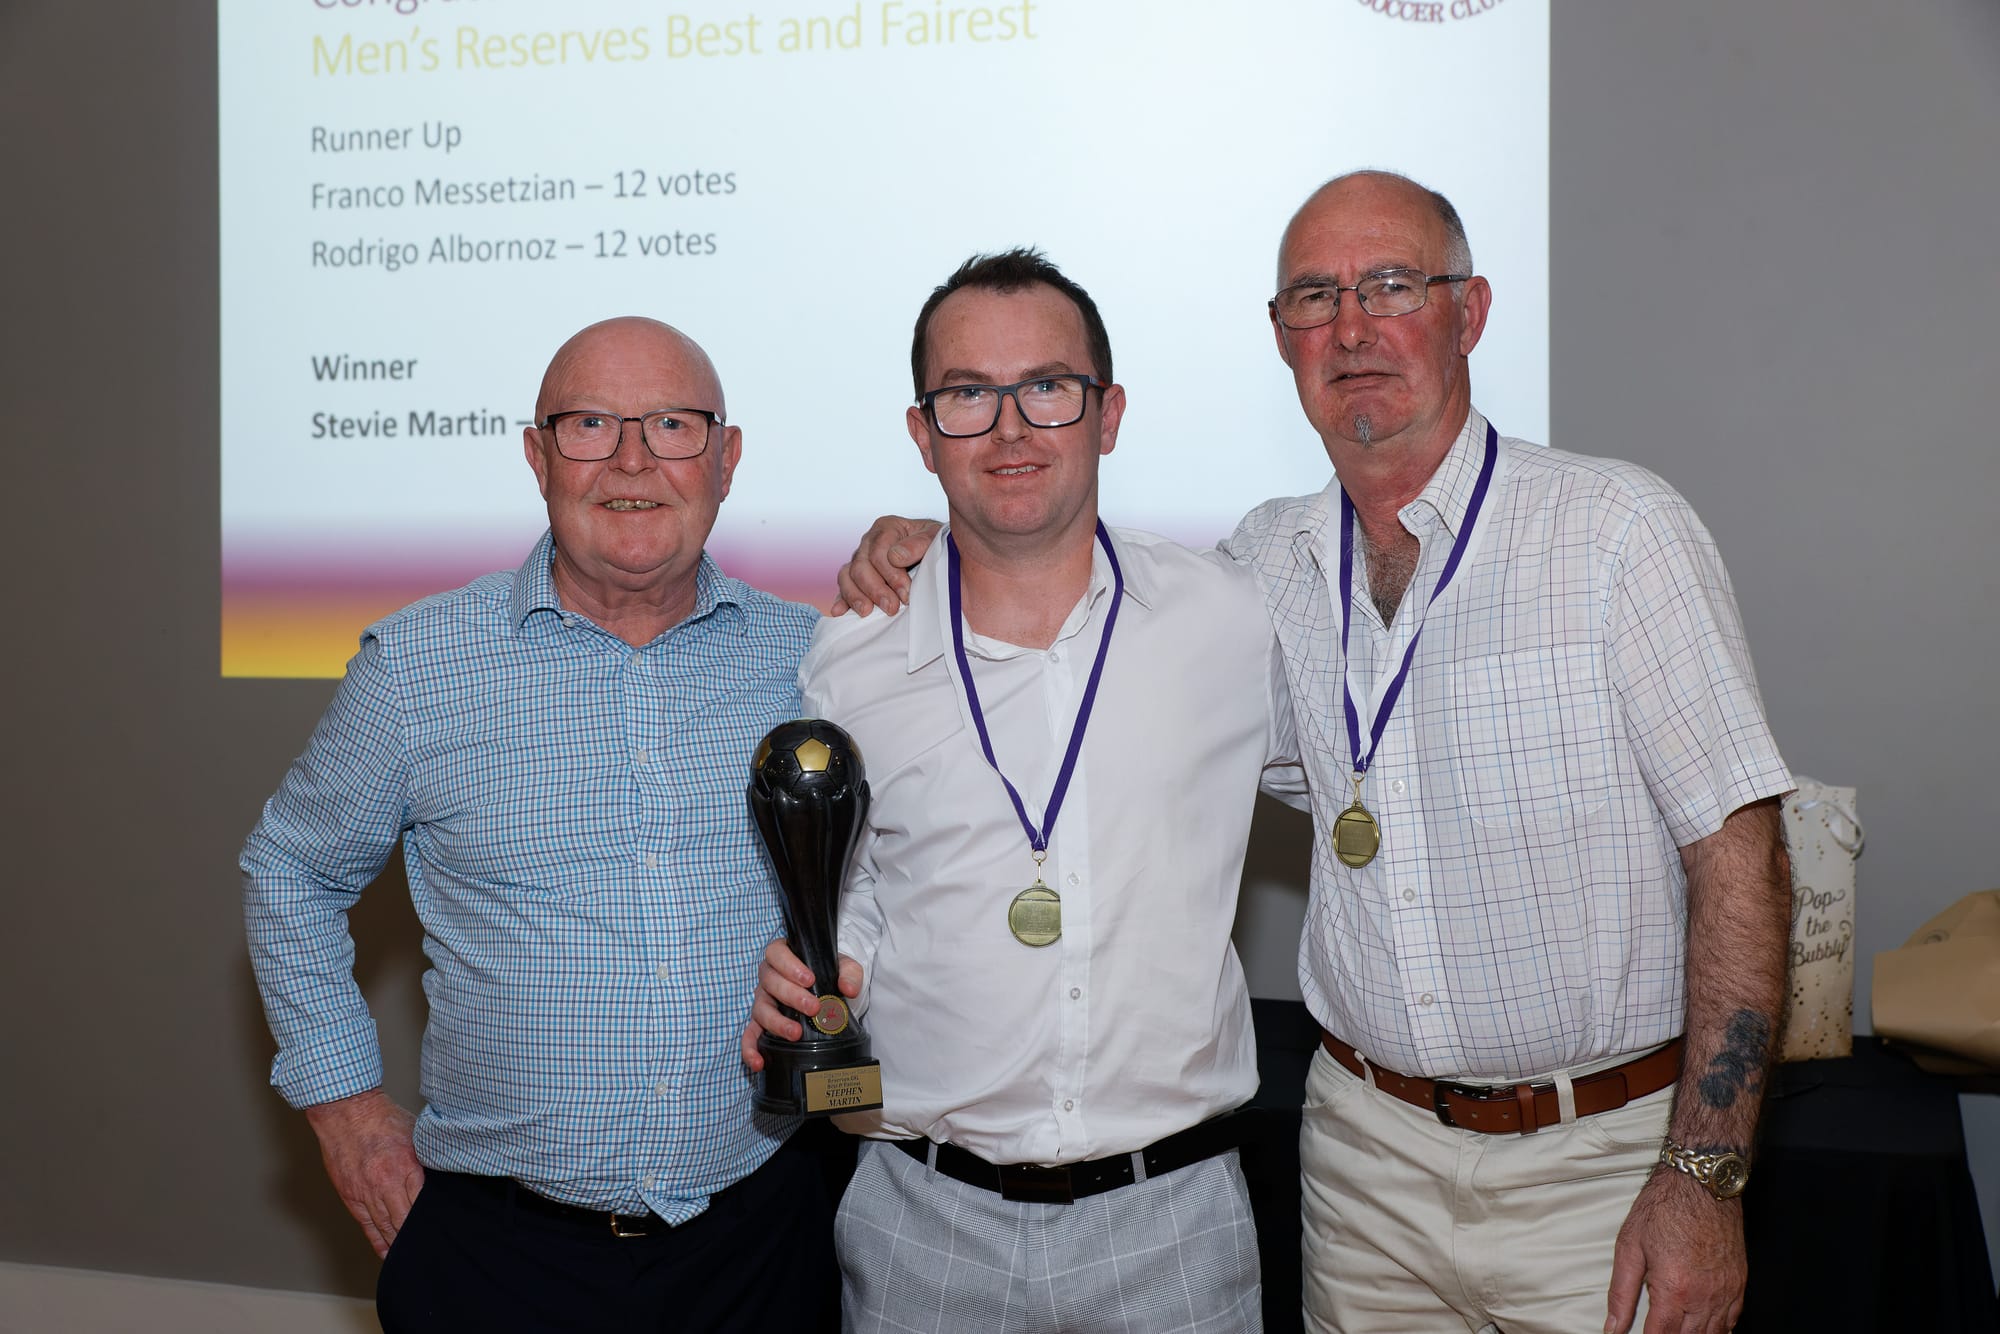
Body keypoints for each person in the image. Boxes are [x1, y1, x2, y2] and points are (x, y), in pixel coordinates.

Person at [832, 173, 1794, 1334]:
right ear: (1280, 335)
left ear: (1470, 311)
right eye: (1312, 297)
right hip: (1364, 1170)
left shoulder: (1614, 532)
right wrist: (940, 542)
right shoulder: (1257, 570)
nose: (1349, 327)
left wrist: (1703, 1174)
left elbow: (1738, 851)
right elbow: (1051, 617)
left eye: (1389, 285)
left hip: (1595, 1168)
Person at [241, 317, 834, 1332]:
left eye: (674, 425)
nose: (633, 460)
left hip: (762, 1242)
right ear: (537, 454)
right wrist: (346, 1114)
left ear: (726, 458)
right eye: (590, 424)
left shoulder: (814, 662)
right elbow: (290, 869)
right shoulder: (418, 668)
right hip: (498, 1261)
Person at [744, 249, 1299, 1331]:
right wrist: (819, 969)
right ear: (923, 434)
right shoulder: (851, 658)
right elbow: (859, 896)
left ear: (1108, 414)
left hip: (1174, 1224)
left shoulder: (1229, 618)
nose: (1008, 428)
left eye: (1046, 386)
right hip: (922, 1221)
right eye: (967, 395)